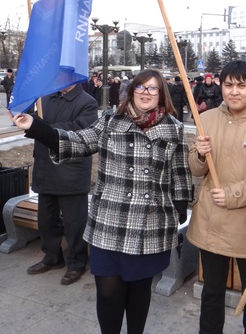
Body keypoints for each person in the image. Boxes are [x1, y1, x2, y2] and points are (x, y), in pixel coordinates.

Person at [12, 69, 192, 334]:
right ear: (131, 91)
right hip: (109, 221)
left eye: (152, 88)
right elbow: (78, 142)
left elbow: (180, 173)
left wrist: (180, 208)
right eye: (140, 87)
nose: (146, 93)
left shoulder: (174, 128)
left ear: (161, 94)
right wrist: (36, 127)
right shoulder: (110, 120)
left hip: (150, 225)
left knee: (139, 291)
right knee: (108, 291)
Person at [187, 60, 246, 334]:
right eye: (228, 85)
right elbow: (196, 170)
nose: (234, 92)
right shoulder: (207, 118)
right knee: (211, 292)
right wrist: (200, 154)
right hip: (211, 221)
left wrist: (233, 194)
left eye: (241, 86)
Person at [26, 84, 98, 285]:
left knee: (75, 225)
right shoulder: (45, 98)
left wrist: (41, 127)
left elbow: (79, 132)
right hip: (45, 170)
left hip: (71, 173)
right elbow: (34, 123)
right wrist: (28, 120)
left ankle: (76, 263)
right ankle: (52, 257)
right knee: (46, 221)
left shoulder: (88, 102)